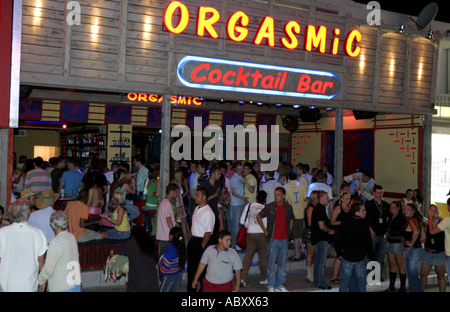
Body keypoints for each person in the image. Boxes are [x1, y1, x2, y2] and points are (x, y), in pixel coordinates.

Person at [0, 199, 47, 292]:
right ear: (28, 213)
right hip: (29, 285)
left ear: (11, 214)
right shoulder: (37, 233)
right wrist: (43, 280)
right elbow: (41, 260)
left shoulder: (2, 232)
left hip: (7, 285)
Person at [257, 187, 295, 292]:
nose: (276, 197)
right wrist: (265, 230)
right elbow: (259, 216)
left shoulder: (288, 207)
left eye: (278, 194)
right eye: (275, 194)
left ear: (283, 196)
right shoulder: (270, 207)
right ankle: (271, 285)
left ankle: (279, 284)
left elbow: (292, 218)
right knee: (271, 264)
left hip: (284, 239)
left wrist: (289, 232)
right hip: (273, 240)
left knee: (282, 264)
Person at [335, 200, 375, 292]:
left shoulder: (345, 222)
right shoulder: (363, 224)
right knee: (361, 283)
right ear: (357, 212)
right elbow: (368, 242)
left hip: (347, 256)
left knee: (344, 283)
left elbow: (338, 238)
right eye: (363, 210)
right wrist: (371, 256)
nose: (365, 212)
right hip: (360, 257)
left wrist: (339, 253)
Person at [38, 212, 81, 292]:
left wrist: (40, 280)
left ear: (51, 224)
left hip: (62, 286)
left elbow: (49, 267)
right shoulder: (71, 236)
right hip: (75, 282)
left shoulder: (55, 242)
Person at [111, 226, 159, 292]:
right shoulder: (151, 244)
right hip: (153, 282)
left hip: (138, 283)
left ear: (133, 235)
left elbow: (113, 252)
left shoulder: (132, 243)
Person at [187, 187, 215, 293]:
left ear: (204, 197)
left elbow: (208, 232)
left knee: (201, 270)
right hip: (194, 240)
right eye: (195, 195)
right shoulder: (197, 208)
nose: (195, 197)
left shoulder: (208, 212)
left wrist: (202, 246)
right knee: (191, 268)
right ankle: (191, 290)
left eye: (198, 195)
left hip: (201, 242)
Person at [240, 190, 268, 287]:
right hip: (262, 234)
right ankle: (264, 278)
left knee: (248, 256)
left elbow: (241, 221)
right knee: (263, 257)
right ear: (265, 199)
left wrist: (249, 227)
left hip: (250, 233)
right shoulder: (265, 208)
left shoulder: (249, 206)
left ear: (256, 197)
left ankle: (243, 278)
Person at [311, 191, 335, 290]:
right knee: (321, 262)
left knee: (318, 262)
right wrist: (330, 231)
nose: (328, 199)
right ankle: (321, 282)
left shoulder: (318, 208)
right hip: (321, 238)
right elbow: (322, 226)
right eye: (327, 198)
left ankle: (317, 282)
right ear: (321, 198)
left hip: (318, 238)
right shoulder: (320, 209)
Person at [365, 184, 390, 279]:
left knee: (380, 256)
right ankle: (368, 275)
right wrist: (370, 230)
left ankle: (377, 275)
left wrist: (387, 230)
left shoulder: (385, 204)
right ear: (374, 193)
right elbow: (366, 219)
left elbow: (388, 218)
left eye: (381, 193)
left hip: (383, 233)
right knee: (371, 255)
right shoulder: (369, 204)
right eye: (378, 193)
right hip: (373, 233)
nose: (379, 195)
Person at [421, 204, 446, 292]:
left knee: (441, 276)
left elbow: (432, 232)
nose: (433, 212)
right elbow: (424, 237)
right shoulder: (427, 222)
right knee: (423, 274)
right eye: (431, 210)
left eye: (435, 210)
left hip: (439, 253)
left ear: (438, 211)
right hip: (428, 252)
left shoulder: (442, 221)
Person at [284, 170, 307, 261]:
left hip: (292, 214)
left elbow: (285, 201)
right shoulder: (302, 186)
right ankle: (303, 250)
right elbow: (305, 198)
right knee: (300, 234)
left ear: (288, 177)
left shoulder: (286, 187)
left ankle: (297, 253)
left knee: (295, 235)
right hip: (301, 212)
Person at [385, 200, 407, 292]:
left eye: (394, 207)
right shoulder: (391, 217)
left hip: (398, 243)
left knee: (400, 264)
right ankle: (391, 286)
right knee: (392, 264)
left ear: (398, 208)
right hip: (390, 241)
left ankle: (402, 287)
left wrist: (404, 244)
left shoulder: (402, 218)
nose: (391, 209)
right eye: (391, 207)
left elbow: (404, 232)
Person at [329, 191, 351, 284]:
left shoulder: (350, 209)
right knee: (340, 256)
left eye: (349, 199)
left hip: (347, 235)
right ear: (342, 199)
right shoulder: (338, 209)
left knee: (346, 256)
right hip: (339, 235)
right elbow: (332, 222)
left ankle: (343, 276)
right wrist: (343, 223)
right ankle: (334, 276)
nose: (348, 200)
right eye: (346, 198)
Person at [403, 203, 425, 292]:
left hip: (412, 250)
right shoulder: (419, 221)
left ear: (413, 211)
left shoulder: (411, 220)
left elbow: (416, 232)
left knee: (412, 276)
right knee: (413, 276)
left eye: (408, 209)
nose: (405, 211)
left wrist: (411, 244)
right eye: (405, 209)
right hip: (417, 250)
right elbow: (423, 237)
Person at [159, 226, 186, 292]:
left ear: (172, 236)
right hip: (177, 273)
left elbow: (166, 263)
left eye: (169, 234)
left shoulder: (171, 248)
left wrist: (161, 260)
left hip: (169, 275)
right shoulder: (182, 246)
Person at [200, 165, 222, 245]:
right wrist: (215, 194)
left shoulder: (218, 184)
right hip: (206, 213)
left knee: (215, 233)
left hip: (215, 212)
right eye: (218, 173)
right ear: (213, 174)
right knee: (207, 234)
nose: (220, 175)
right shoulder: (204, 185)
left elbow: (218, 198)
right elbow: (202, 200)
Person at [156, 183, 179, 257]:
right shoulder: (167, 204)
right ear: (172, 192)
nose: (177, 194)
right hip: (167, 236)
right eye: (176, 192)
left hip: (163, 235)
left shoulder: (163, 202)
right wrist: (173, 233)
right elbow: (168, 220)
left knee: (162, 256)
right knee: (166, 257)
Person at [229, 162, 247, 249]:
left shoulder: (241, 177)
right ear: (235, 169)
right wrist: (242, 197)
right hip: (235, 204)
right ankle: (233, 244)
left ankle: (237, 243)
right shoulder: (234, 178)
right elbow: (233, 192)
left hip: (240, 203)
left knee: (240, 224)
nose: (241, 170)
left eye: (241, 168)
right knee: (235, 226)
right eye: (239, 169)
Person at [303, 191, 320, 283]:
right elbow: (310, 223)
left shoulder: (314, 207)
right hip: (310, 232)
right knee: (310, 253)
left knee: (312, 254)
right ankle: (309, 275)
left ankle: (311, 274)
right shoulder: (310, 208)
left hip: (312, 232)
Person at [143, 168, 159, 234]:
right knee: (153, 216)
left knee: (144, 212)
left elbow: (144, 193)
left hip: (148, 205)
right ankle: (154, 231)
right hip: (157, 205)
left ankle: (146, 228)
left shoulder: (147, 181)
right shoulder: (159, 182)